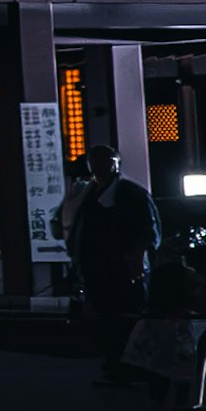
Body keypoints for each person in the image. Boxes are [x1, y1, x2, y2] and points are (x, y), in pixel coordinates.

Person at [68, 150, 158, 390]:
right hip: (96, 268)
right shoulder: (89, 192)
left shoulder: (129, 192)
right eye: (94, 162)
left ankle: (132, 368)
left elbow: (145, 231)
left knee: (126, 318)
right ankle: (115, 367)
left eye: (105, 162)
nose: (98, 167)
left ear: (116, 164)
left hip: (121, 267)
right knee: (107, 319)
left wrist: (137, 262)